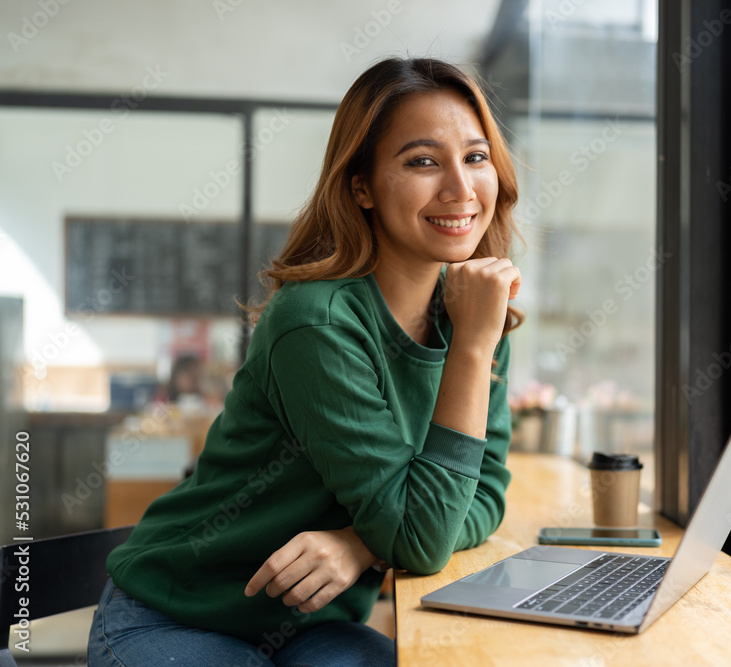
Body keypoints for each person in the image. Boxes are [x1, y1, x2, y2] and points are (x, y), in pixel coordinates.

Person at [88, 56, 523, 666]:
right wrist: (474, 348)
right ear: (361, 186)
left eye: (475, 157)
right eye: (422, 161)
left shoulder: (477, 310)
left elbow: (482, 498)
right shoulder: (316, 321)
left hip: (310, 627)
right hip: (176, 615)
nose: (459, 187)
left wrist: (360, 546)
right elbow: (421, 541)